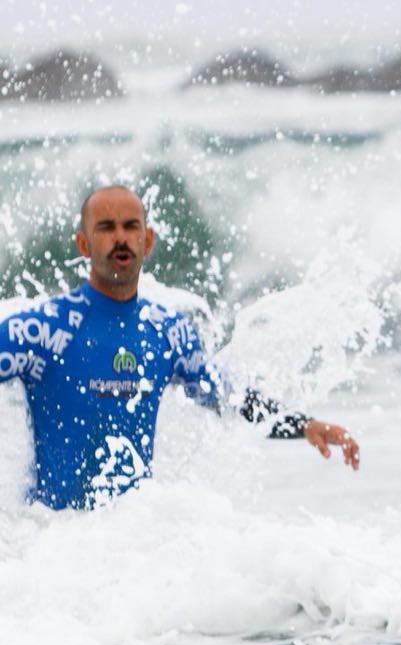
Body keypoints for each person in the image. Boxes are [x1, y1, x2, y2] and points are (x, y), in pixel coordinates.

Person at [0, 184, 360, 509]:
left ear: (148, 240)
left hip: (130, 535)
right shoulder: (43, 330)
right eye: (106, 228)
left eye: (131, 226)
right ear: (83, 244)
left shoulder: (167, 333)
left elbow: (230, 401)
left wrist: (304, 425)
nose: (120, 238)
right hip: (52, 540)